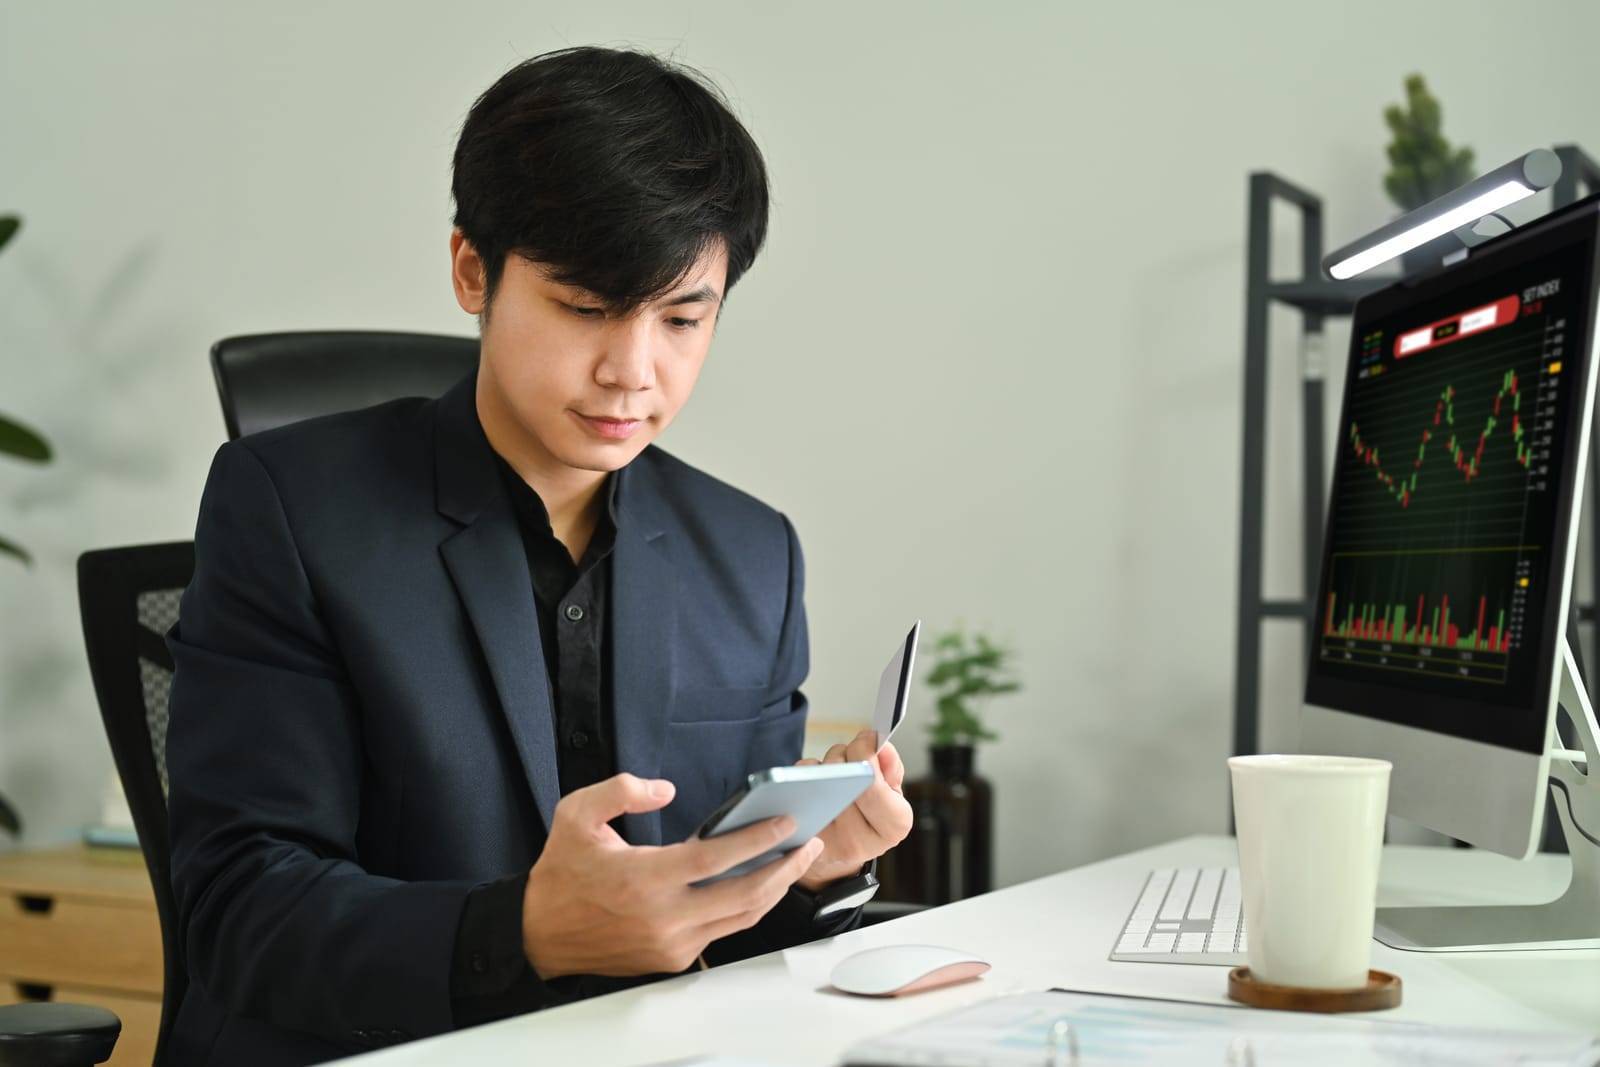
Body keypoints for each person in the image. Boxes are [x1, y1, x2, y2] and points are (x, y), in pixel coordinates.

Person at [164, 45, 913, 1066]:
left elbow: (729, 949)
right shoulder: (291, 510)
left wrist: (810, 872)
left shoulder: (750, 554)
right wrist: (520, 929)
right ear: (474, 269)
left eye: (683, 318)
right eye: (587, 307)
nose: (632, 371)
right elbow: (237, 907)